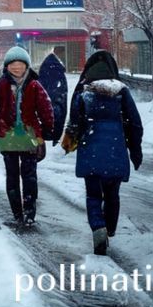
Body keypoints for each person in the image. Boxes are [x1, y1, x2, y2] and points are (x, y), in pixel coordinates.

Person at [62, 50, 143, 255]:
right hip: (115, 152)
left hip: (91, 151)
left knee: (93, 195)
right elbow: (135, 123)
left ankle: (98, 227)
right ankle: (110, 228)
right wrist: (135, 150)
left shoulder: (83, 93)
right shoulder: (121, 92)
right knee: (112, 195)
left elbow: (75, 123)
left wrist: (68, 143)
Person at [0, 46, 54, 225]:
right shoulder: (1, 84)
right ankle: (17, 212)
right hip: (7, 136)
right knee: (12, 175)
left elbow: (46, 109)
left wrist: (46, 131)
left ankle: (30, 212)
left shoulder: (34, 85)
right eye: (12, 64)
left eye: (20, 64)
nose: (16, 67)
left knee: (29, 176)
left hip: (29, 136)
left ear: (26, 66)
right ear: (6, 66)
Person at [37, 46, 68, 146]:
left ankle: (51, 134)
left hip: (50, 101)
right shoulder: (55, 67)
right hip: (55, 100)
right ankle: (53, 135)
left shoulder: (48, 66)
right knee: (57, 115)